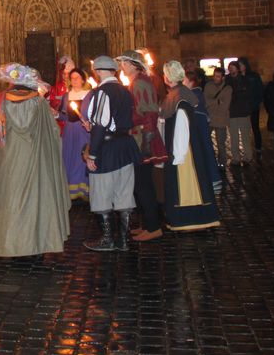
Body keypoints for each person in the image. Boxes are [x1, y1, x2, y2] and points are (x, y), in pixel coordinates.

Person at [0, 63, 70, 257]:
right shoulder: (38, 102)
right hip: (34, 163)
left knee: (8, 201)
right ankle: (35, 243)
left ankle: (7, 243)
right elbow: (51, 132)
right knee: (35, 200)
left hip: (6, 164)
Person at [82, 56, 139, 252]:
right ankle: (123, 240)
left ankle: (108, 239)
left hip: (107, 149)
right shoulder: (125, 90)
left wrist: (93, 154)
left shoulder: (102, 93)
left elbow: (100, 125)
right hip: (125, 146)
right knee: (124, 193)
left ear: (97, 71)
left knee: (101, 194)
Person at [160, 61, 221, 232]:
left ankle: (188, 219)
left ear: (167, 77)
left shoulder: (179, 97)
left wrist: (177, 155)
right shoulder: (178, 93)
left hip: (184, 153)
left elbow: (181, 127)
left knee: (186, 186)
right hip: (184, 150)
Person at [116, 50, 167, 242]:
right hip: (139, 138)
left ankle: (153, 227)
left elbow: (148, 113)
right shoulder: (137, 82)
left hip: (142, 140)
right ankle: (146, 224)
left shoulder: (140, 83)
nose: (122, 66)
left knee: (143, 185)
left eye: (123, 63)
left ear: (131, 65)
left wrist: (145, 140)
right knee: (140, 184)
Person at [57, 68, 92, 202]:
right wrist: (56, 114)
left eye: (77, 77)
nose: (75, 80)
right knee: (70, 158)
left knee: (82, 158)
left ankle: (85, 190)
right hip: (70, 132)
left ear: (83, 79)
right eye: (72, 78)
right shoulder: (67, 96)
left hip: (83, 131)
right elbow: (64, 116)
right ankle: (72, 191)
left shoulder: (89, 94)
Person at [183, 69, 221, 192]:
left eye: (184, 80)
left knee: (205, 150)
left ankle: (213, 179)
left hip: (200, 128)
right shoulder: (194, 94)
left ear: (190, 82)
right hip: (200, 127)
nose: (182, 82)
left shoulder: (193, 95)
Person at [204, 68, 232, 170]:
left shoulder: (228, 89)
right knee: (207, 141)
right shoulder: (208, 86)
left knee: (221, 143)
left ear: (223, 77)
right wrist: (217, 101)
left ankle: (222, 163)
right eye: (214, 75)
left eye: (218, 76)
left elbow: (225, 106)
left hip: (221, 120)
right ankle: (209, 161)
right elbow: (205, 102)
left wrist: (212, 103)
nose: (215, 78)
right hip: (210, 119)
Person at [226, 62, 253, 166]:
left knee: (245, 135)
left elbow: (248, 94)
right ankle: (236, 157)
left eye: (233, 68)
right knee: (234, 137)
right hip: (232, 112)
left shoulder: (244, 80)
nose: (232, 70)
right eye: (230, 68)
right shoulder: (227, 81)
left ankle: (248, 156)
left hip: (243, 112)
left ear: (237, 69)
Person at [239, 57, 264, 155]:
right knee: (244, 128)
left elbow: (259, 89)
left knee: (255, 127)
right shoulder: (238, 77)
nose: (240, 67)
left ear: (245, 65)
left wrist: (257, 102)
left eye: (241, 65)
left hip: (253, 106)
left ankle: (258, 147)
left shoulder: (254, 76)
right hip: (243, 107)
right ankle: (247, 148)